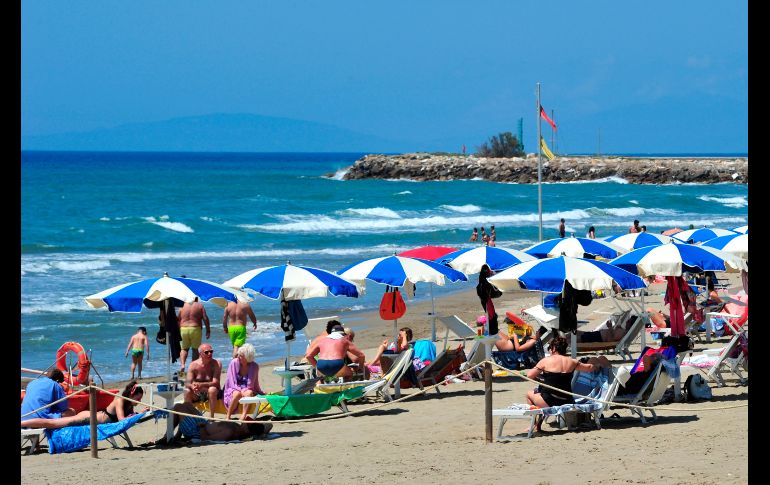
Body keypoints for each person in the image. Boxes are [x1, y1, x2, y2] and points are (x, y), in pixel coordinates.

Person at [525, 336, 597, 430]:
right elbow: (589, 368)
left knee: (529, 394)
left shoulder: (545, 361)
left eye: (550, 348)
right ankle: (537, 424)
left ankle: (536, 424)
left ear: (554, 348)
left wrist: (540, 380)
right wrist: (597, 365)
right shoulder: (572, 361)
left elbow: (529, 375)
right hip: (567, 400)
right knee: (542, 393)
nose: (550, 350)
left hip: (549, 401)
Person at [21, 380, 145, 429]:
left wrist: (140, 413)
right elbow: (122, 420)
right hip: (89, 417)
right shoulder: (120, 400)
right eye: (138, 398)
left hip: (93, 417)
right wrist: (140, 415)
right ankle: (22, 423)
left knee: (53, 422)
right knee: (52, 423)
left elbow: (127, 418)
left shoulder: (128, 404)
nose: (139, 401)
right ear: (131, 394)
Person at [171, 402, 272, 442]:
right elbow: (269, 425)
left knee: (178, 407)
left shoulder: (230, 432)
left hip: (197, 430)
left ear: (246, 429)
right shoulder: (238, 428)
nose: (244, 420)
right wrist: (261, 431)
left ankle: (167, 437)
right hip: (204, 423)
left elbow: (205, 438)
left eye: (246, 422)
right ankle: (177, 436)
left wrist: (202, 427)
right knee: (187, 404)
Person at [223, 343, 265, 421]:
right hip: (233, 387)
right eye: (238, 354)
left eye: (241, 355)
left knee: (249, 393)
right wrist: (240, 390)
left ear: (247, 358)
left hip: (247, 388)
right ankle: (228, 415)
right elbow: (231, 382)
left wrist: (260, 392)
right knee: (237, 394)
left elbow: (252, 384)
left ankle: (243, 415)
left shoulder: (254, 366)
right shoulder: (234, 363)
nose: (238, 357)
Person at [184, 343, 222, 418]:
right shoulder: (193, 365)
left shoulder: (216, 364)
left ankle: (211, 417)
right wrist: (192, 386)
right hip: (197, 393)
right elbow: (187, 382)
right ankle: (190, 417)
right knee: (187, 391)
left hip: (212, 393)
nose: (209, 354)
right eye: (206, 352)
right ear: (200, 354)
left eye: (211, 351)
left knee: (212, 389)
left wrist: (201, 385)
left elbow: (216, 383)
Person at [178, 297, 210, 375]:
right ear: (196, 298)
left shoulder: (182, 305)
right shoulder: (199, 306)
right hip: (195, 328)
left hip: (183, 329)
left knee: (184, 349)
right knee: (195, 350)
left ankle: (182, 365)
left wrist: (177, 331)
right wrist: (208, 330)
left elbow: (178, 319)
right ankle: (192, 367)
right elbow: (205, 318)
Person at [476, 264, 501, 335]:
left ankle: (492, 330)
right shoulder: (485, 282)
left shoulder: (481, 282)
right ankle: (493, 331)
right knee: (491, 315)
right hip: (487, 300)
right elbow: (496, 293)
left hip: (485, 300)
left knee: (491, 315)